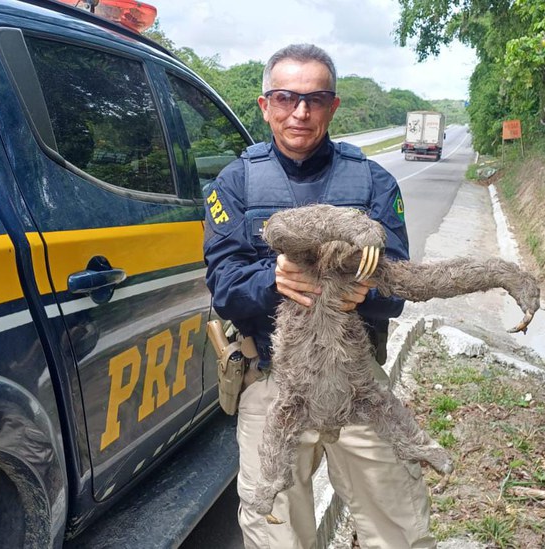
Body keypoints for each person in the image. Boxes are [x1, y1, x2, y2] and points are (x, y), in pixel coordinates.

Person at [203, 43, 435, 549]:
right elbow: (224, 287)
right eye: (285, 97)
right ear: (265, 105)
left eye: (315, 98)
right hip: (271, 381)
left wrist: (362, 292)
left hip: (356, 384)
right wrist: (274, 280)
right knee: (276, 533)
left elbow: (397, 284)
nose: (300, 112)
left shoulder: (372, 180)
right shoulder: (234, 184)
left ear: (333, 105)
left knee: (401, 527)